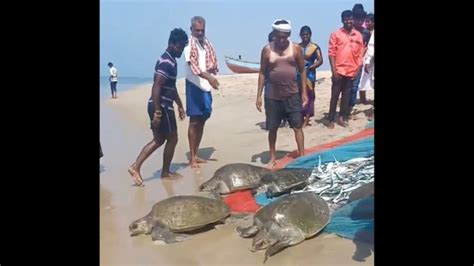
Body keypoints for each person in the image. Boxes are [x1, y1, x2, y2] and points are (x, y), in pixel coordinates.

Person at [127, 28, 188, 186]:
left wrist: (180, 105)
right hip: (161, 107)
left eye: (183, 48)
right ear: (171, 44)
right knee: (172, 138)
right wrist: (158, 112)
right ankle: (165, 172)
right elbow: (157, 86)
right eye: (180, 47)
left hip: (160, 105)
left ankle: (136, 166)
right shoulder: (166, 62)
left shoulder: (170, 60)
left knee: (159, 139)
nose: (181, 51)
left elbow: (171, 87)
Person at [256, 19, 308, 169]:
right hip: (272, 96)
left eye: (285, 36)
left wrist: (304, 92)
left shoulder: (296, 49)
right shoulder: (267, 50)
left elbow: (302, 70)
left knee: (297, 126)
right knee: (272, 128)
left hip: (292, 94)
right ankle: (272, 157)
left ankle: (302, 154)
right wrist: (259, 95)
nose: (282, 39)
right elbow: (262, 72)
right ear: (274, 34)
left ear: (289, 34)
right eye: (279, 36)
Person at [184, 16, 220, 168]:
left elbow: (213, 61)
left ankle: (196, 153)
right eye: (197, 30)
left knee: (204, 118)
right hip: (194, 85)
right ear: (191, 29)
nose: (199, 33)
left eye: (202, 30)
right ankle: (192, 157)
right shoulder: (189, 44)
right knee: (194, 120)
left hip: (206, 85)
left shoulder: (206, 43)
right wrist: (208, 76)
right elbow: (193, 66)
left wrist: (212, 73)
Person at [327, 10, 364, 128]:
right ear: (342, 20)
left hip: (351, 71)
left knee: (346, 96)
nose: (349, 21)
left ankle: (342, 117)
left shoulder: (358, 35)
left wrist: (357, 70)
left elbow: (360, 55)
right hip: (338, 70)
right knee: (335, 96)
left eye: (350, 19)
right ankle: (331, 119)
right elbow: (331, 53)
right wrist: (333, 71)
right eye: (346, 19)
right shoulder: (336, 34)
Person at [297, 26, 323, 127]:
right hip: (298, 74)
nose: (305, 36)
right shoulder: (297, 47)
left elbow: (320, 60)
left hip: (309, 74)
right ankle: (300, 116)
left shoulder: (314, 47)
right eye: (303, 34)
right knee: (298, 96)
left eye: (307, 34)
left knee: (309, 95)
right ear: (300, 35)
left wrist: (310, 67)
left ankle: (307, 117)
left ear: (310, 35)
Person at [348, 7, 371, 112]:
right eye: (357, 19)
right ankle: (346, 105)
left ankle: (351, 105)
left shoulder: (366, 33)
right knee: (346, 85)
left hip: (358, 61)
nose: (359, 22)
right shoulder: (347, 31)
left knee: (355, 85)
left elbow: (368, 46)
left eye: (361, 19)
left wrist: (363, 57)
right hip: (346, 61)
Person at [358, 13, 374, 102]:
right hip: (365, 57)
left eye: (369, 21)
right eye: (366, 21)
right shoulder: (363, 32)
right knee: (363, 78)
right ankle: (362, 98)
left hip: (372, 57)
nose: (367, 23)